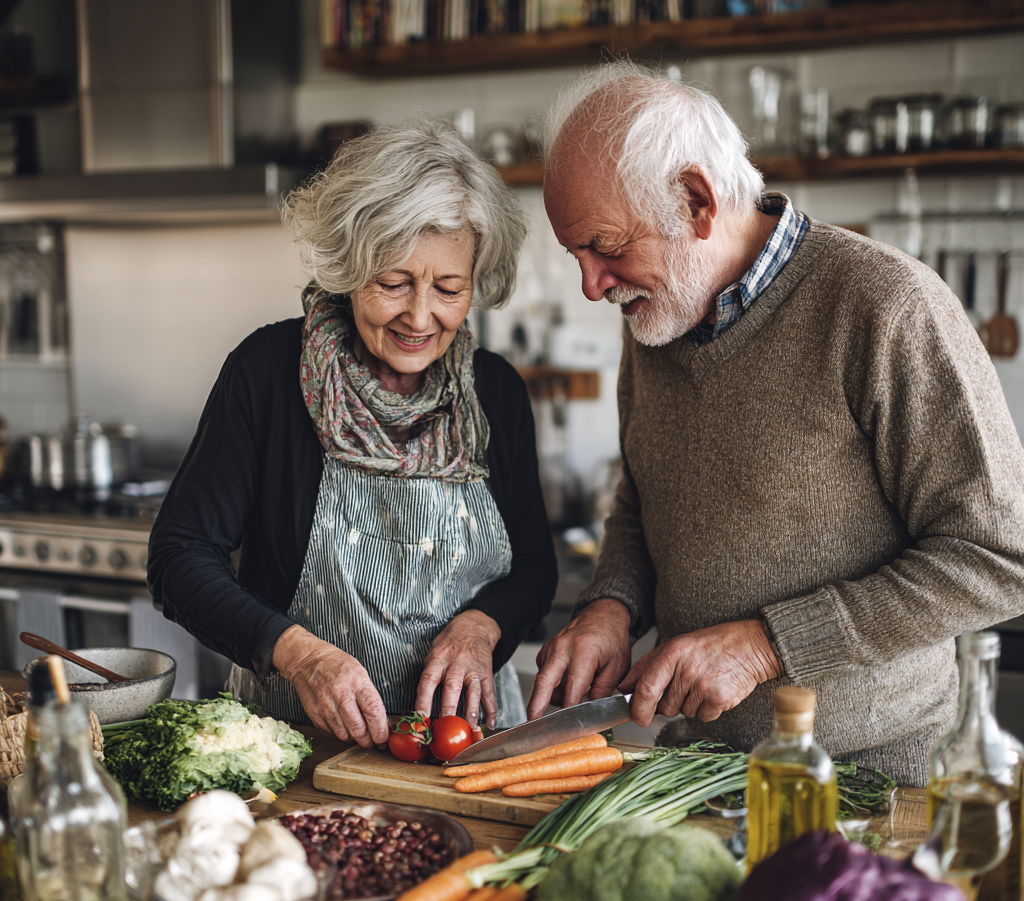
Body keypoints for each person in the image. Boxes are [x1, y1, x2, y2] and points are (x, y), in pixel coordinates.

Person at [531, 61, 1024, 786]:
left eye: (604, 246)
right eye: (575, 255)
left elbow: (1000, 556)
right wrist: (611, 603)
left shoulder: (884, 305)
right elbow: (643, 505)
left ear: (696, 201)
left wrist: (767, 646)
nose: (591, 284)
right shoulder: (656, 320)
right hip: (695, 773)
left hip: (872, 781)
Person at [148, 118, 557, 747]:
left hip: (464, 746)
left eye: (449, 288)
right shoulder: (268, 374)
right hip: (292, 744)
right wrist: (299, 654)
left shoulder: (494, 391)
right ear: (348, 267)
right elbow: (179, 556)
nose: (420, 316)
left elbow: (533, 565)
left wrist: (483, 625)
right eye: (393, 283)